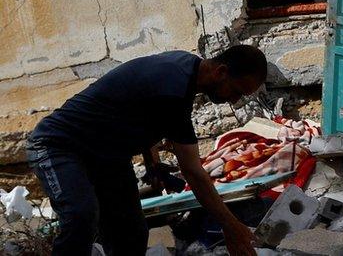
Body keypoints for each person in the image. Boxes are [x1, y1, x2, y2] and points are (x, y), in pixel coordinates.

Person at [27, 45, 268, 256]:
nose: (235, 101)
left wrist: (152, 162)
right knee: (80, 217)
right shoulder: (174, 89)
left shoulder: (185, 67)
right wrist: (231, 226)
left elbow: (142, 110)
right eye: (237, 91)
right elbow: (193, 171)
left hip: (107, 156)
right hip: (59, 145)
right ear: (221, 72)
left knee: (131, 233)